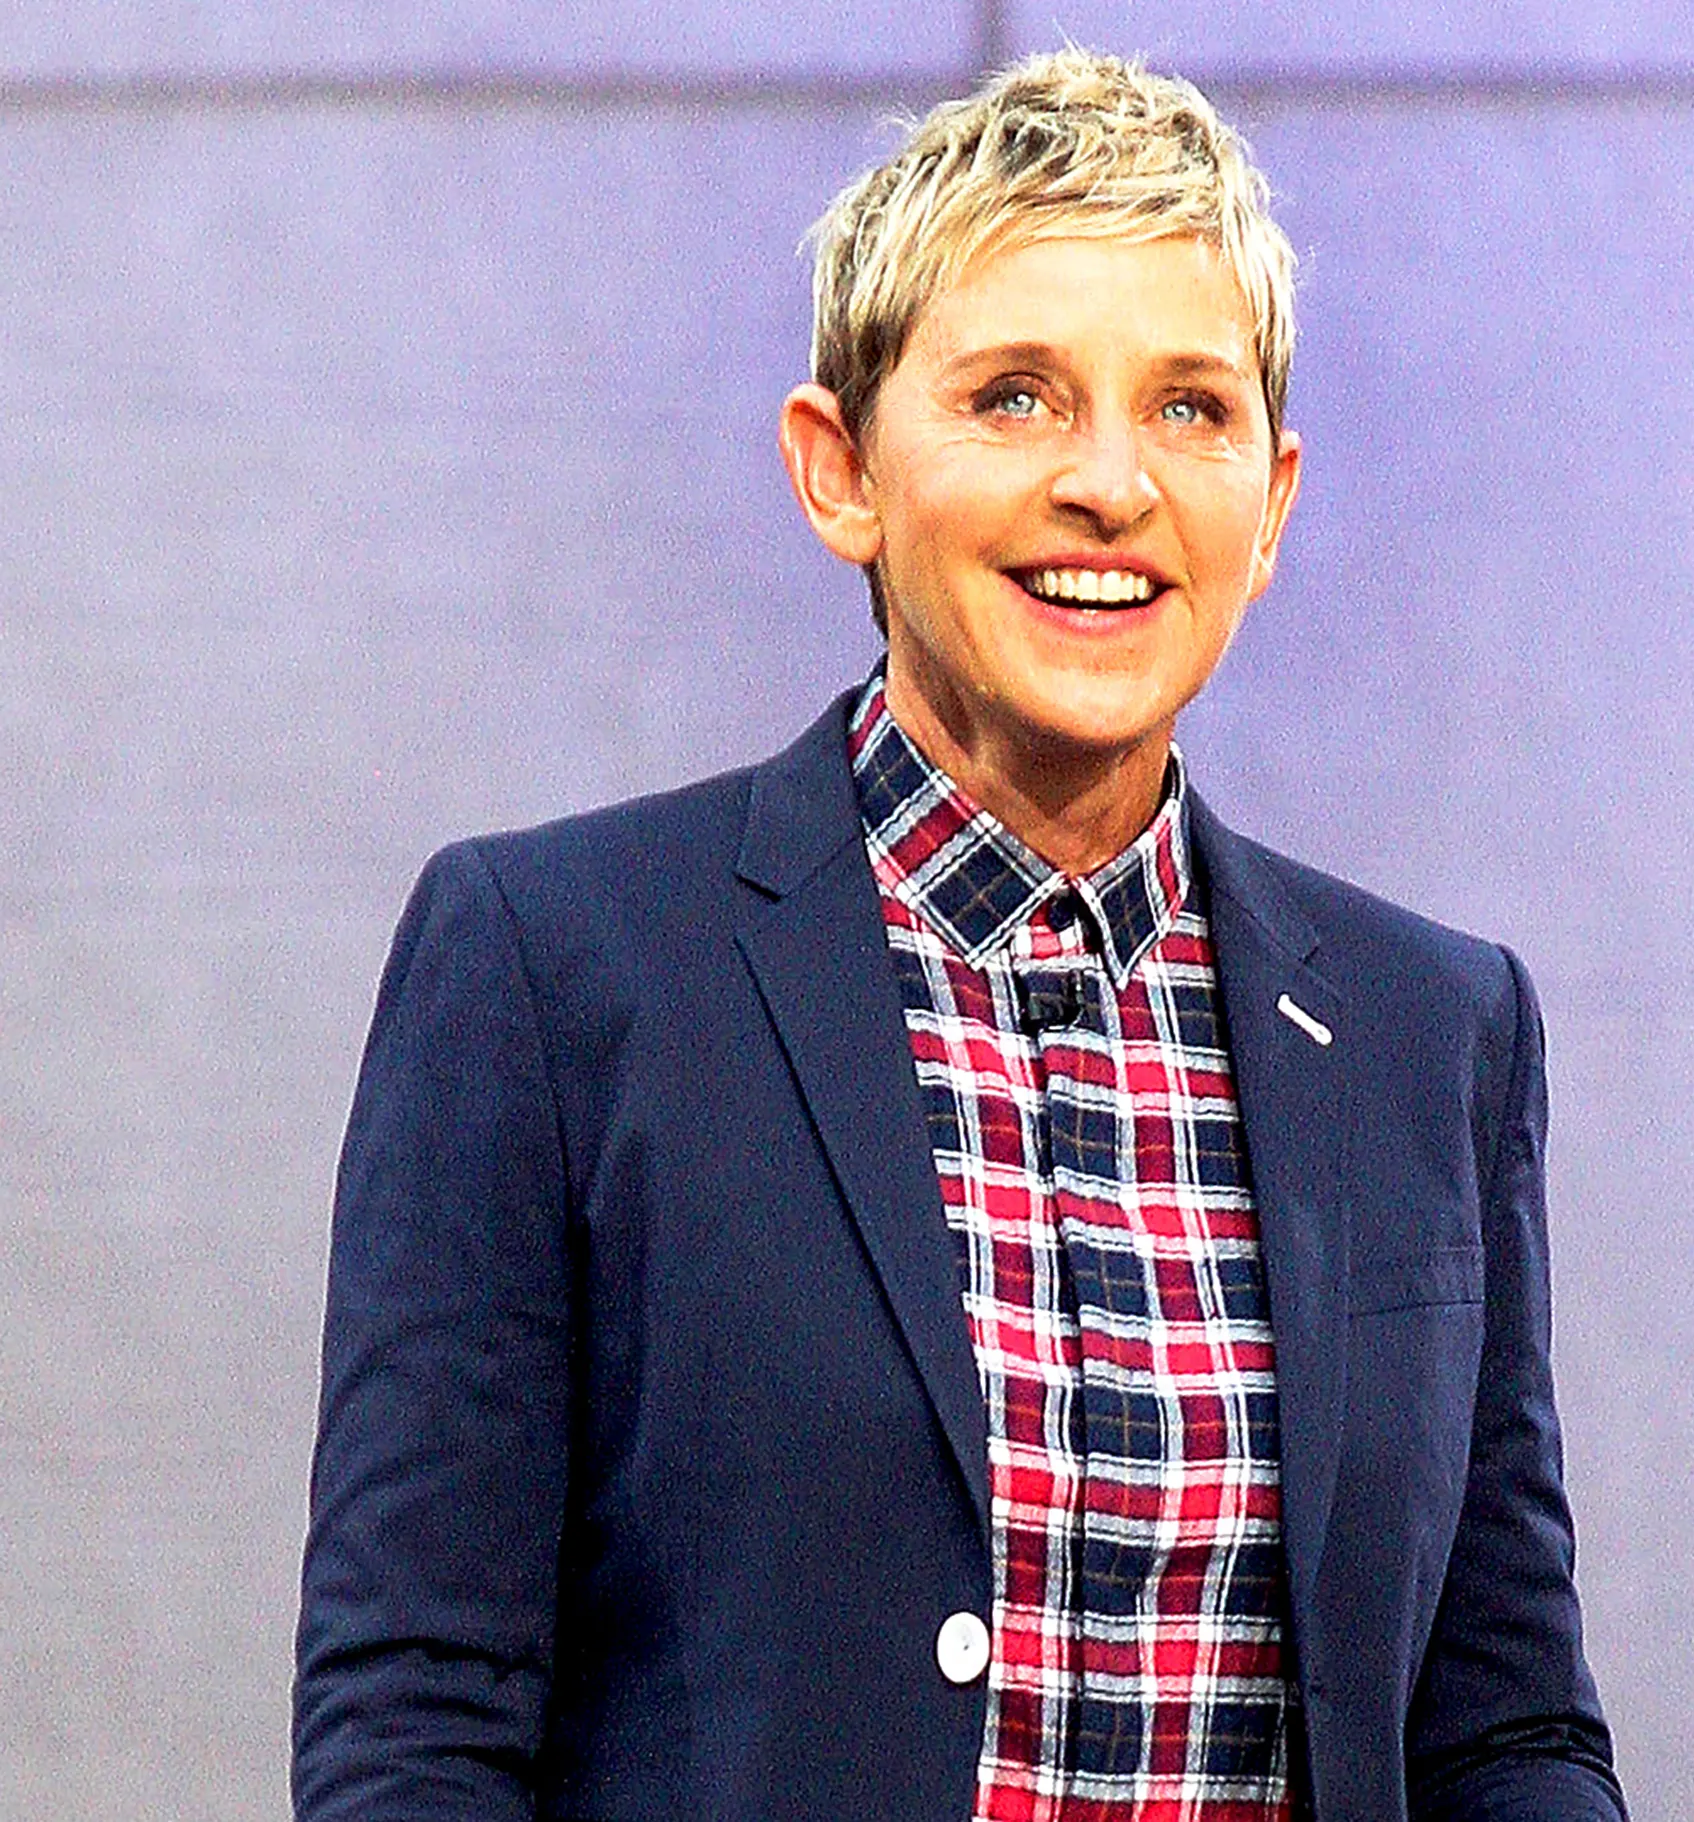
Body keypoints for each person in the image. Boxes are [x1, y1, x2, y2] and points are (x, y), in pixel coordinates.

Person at [293, 48, 1626, 1822]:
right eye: (1014, 398)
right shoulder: (552, 968)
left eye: (1191, 409)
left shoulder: (1430, 1028)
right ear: (837, 467)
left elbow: (1505, 1727)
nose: (1110, 483)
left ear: (1277, 500)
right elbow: (419, 1720)